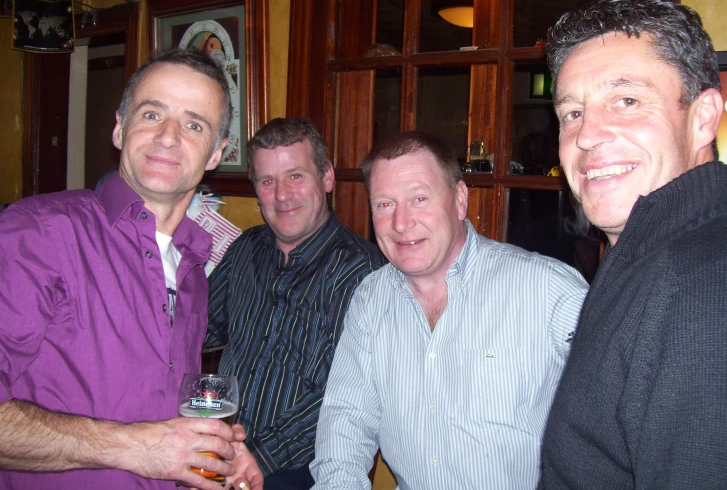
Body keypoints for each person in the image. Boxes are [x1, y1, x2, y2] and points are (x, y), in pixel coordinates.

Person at [0, 47, 262, 490]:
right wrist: (137, 448)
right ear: (120, 129)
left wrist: (216, 448)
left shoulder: (194, 268)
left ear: (216, 153)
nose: (169, 137)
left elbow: (155, 406)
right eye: (152, 114)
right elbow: (145, 442)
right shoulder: (35, 234)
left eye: (194, 124)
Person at [311, 131, 589, 489]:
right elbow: (345, 424)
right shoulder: (370, 299)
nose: (401, 223)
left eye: (420, 198)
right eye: (384, 204)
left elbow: (612, 433)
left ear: (459, 200)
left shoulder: (551, 291)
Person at [538, 0, 727, 488]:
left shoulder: (704, 283)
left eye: (626, 101)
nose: (586, 136)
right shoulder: (653, 259)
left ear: (703, 117)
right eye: (572, 113)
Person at [206, 118, 385, 489]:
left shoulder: (363, 271)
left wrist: (254, 454)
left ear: (327, 178)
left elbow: (341, 397)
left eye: (296, 176)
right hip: (223, 443)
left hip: (300, 467)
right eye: (268, 181)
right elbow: (198, 329)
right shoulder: (246, 248)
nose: (282, 195)